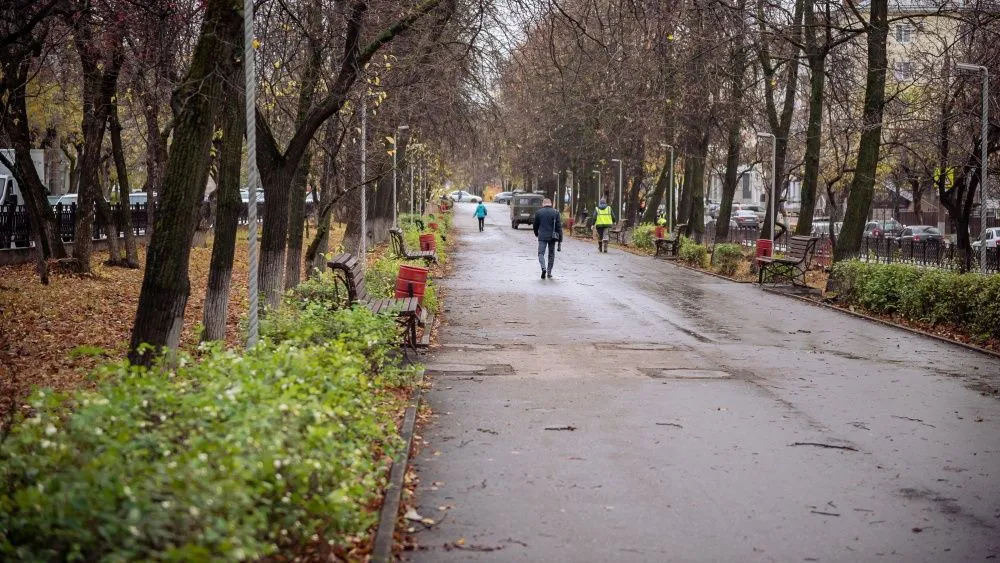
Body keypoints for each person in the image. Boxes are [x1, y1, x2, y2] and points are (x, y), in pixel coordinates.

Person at [532, 197, 562, 279]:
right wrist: (560, 239)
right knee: (551, 254)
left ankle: (543, 267)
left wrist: (536, 233)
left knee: (541, 253)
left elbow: (535, 225)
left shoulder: (539, 212)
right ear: (551, 204)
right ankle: (549, 272)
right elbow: (559, 227)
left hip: (542, 236)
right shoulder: (556, 212)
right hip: (552, 237)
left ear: (543, 204)